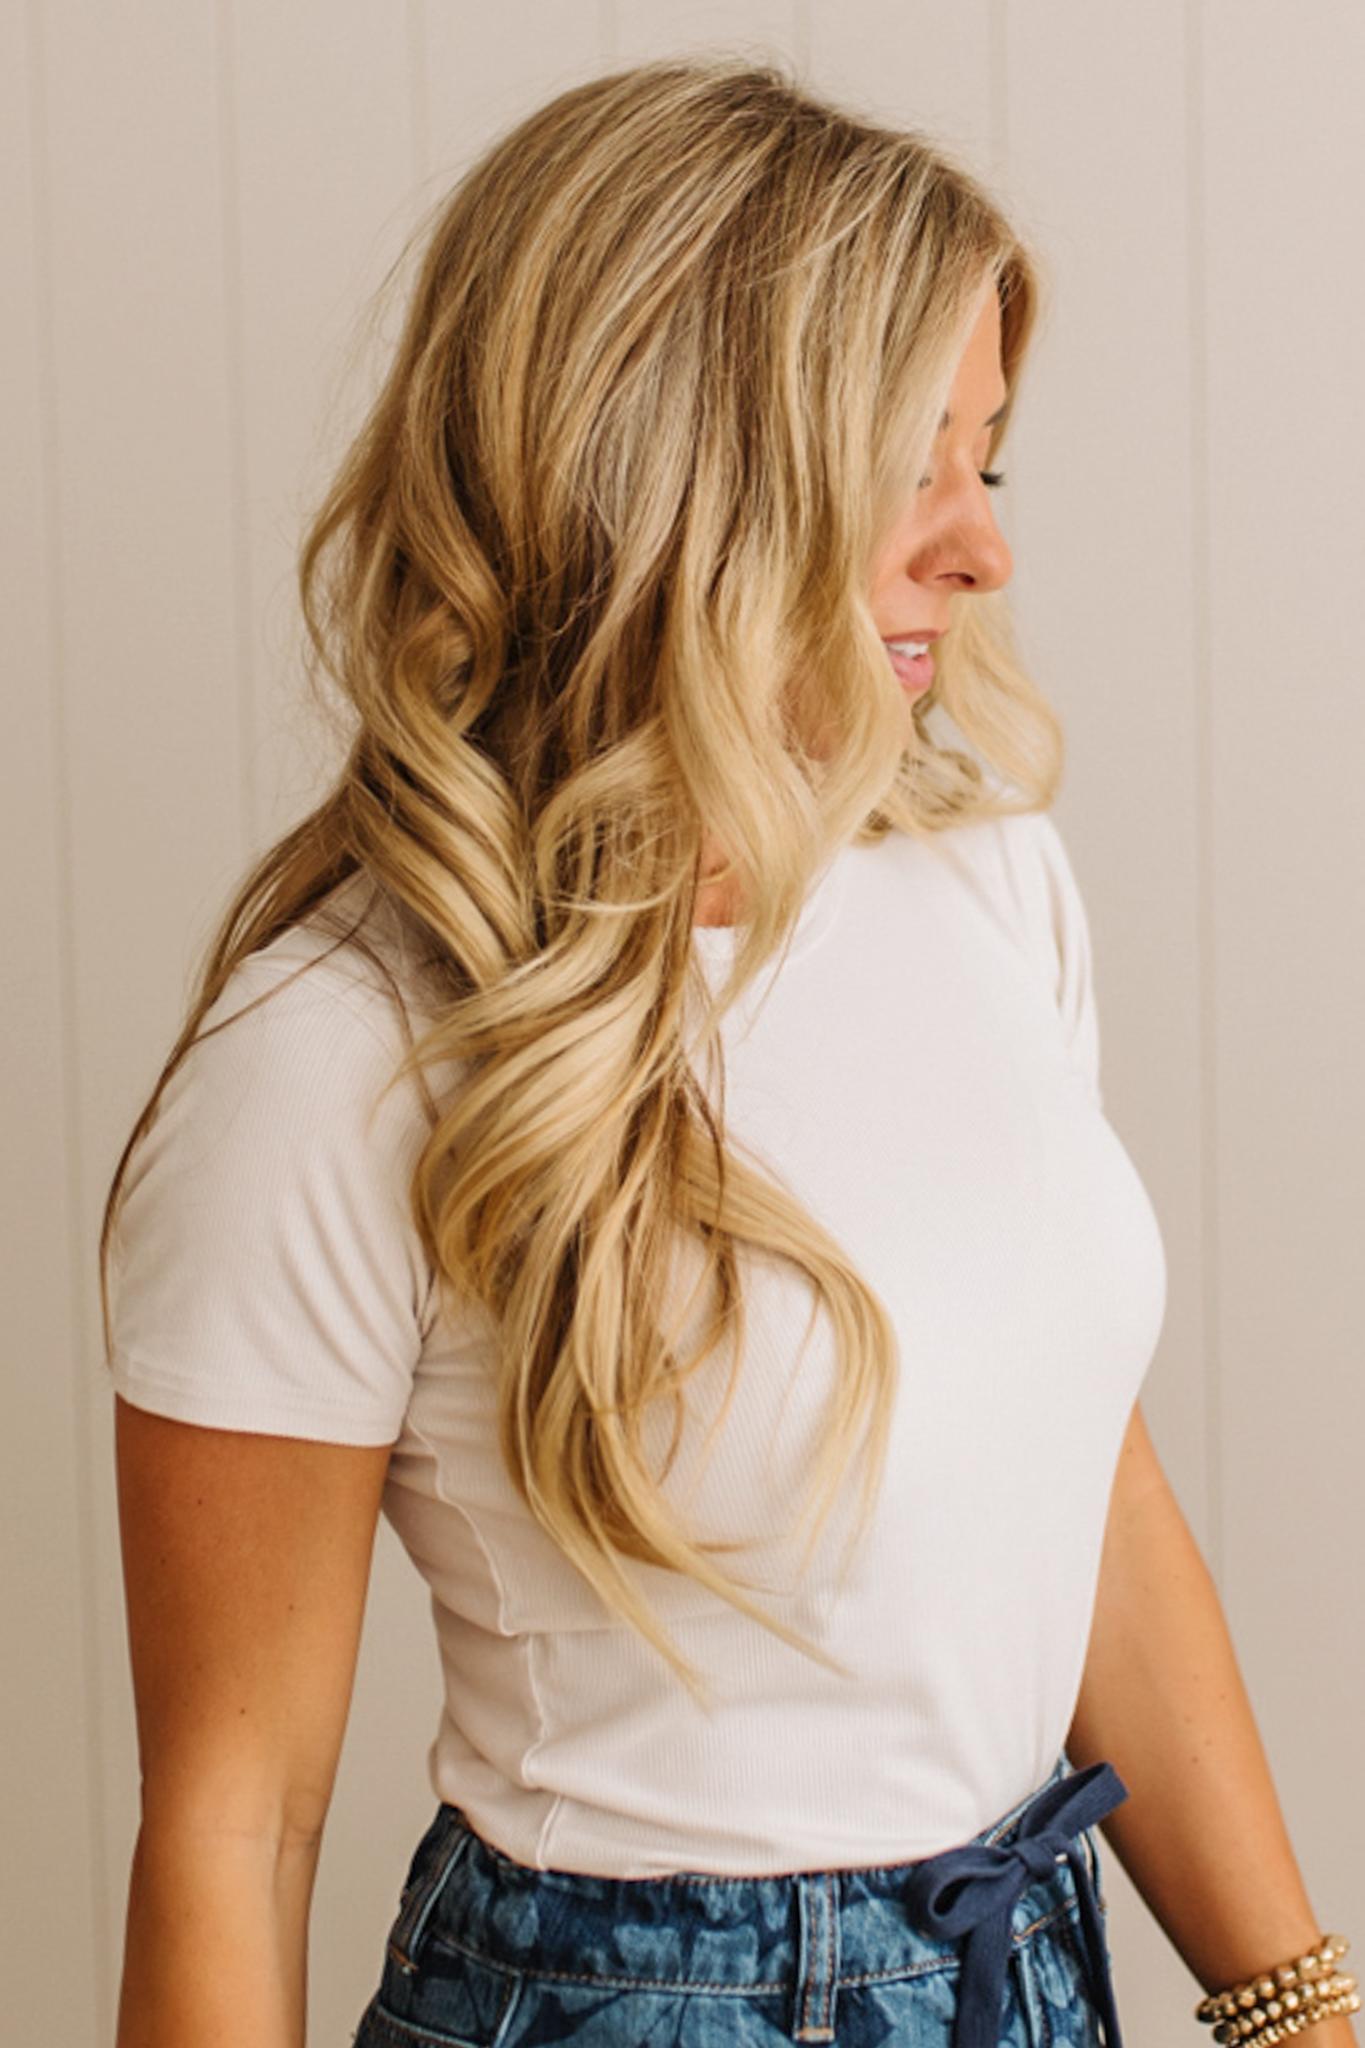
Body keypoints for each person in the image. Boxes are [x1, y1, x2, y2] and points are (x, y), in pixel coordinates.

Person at [105, 61, 1359, 2048]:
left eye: (991, 460)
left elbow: (1073, 1479)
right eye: (910, 463)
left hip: (1016, 1970)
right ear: (668, 457)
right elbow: (232, 1820)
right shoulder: (332, 1057)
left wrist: (1294, 2002)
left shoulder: (984, 883)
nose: (981, 550)